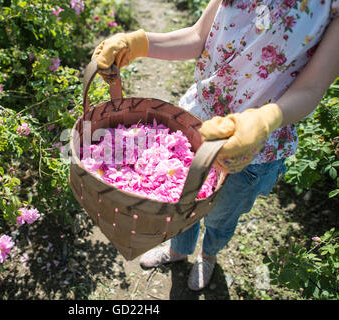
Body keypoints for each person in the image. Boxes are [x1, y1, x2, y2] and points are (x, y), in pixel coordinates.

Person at [91, 0, 339, 291]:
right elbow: (199, 37)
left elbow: (311, 89)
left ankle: (208, 255)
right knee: (181, 202)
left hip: (253, 147)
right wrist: (140, 43)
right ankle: (178, 251)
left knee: (221, 215)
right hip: (196, 125)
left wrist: (266, 118)